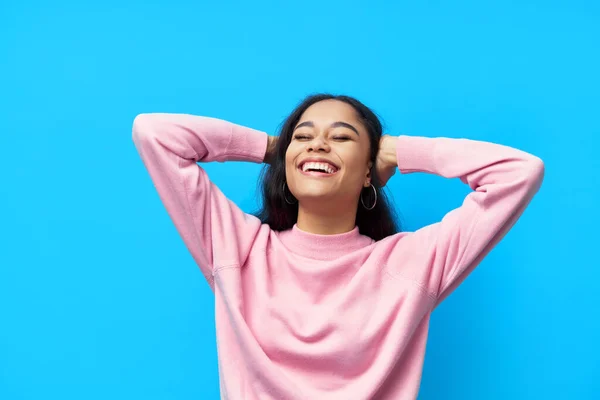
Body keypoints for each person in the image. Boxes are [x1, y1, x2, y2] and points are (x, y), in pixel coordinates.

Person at [132, 93, 544, 400]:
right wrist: (272, 149)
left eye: (341, 137)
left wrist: (400, 151)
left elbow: (519, 173)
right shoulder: (238, 248)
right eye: (304, 136)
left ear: (369, 172)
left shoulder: (410, 264)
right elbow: (154, 133)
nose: (317, 144)